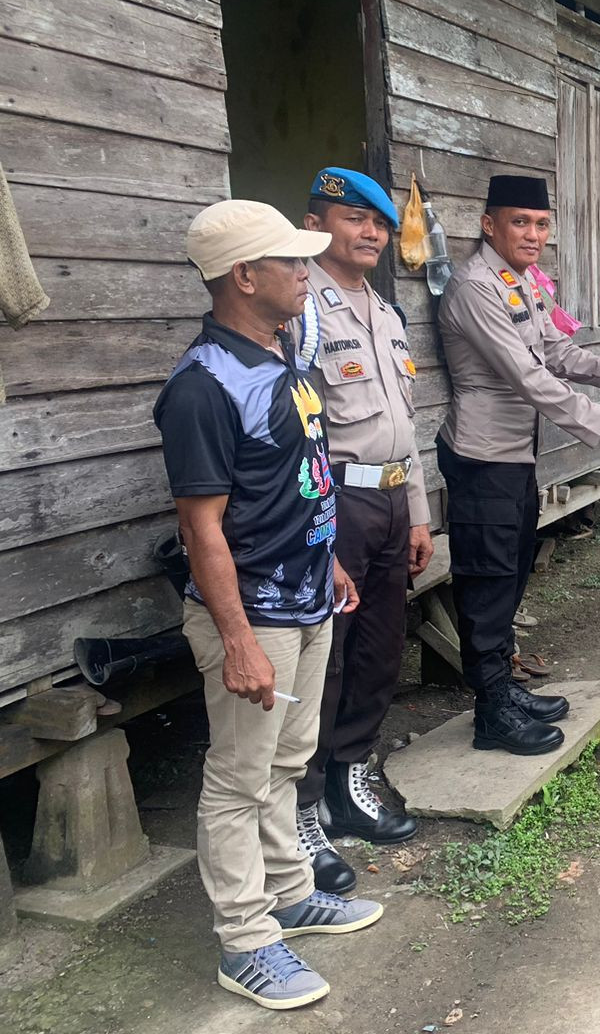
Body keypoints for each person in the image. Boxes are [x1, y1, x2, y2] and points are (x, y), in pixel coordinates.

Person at [154, 200, 379, 1011]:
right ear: (244, 276)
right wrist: (237, 638)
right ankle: (246, 941)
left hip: (308, 596)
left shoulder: (278, 359)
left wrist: (331, 567)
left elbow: (294, 483)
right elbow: (200, 527)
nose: (304, 274)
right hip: (253, 615)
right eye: (290, 263)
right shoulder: (202, 386)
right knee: (239, 778)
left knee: (287, 760)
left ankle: (289, 891)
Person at [436, 174, 600, 756]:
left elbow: (557, 351)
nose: (534, 234)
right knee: (487, 582)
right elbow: (528, 376)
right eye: (520, 222)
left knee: (510, 574)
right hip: (481, 455)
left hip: (515, 456)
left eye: (541, 224)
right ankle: (491, 712)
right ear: (490, 225)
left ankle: (502, 688)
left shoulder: (523, 283)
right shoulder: (473, 287)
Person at [285, 168, 432, 897]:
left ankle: (350, 783)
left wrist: (422, 515)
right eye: (353, 219)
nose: (371, 232)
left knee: (378, 652)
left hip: (393, 502)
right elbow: (297, 430)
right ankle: (303, 810)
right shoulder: (300, 306)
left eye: (379, 223)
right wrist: (314, 532)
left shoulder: (387, 313)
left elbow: (406, 427)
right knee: (327, 660)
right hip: (336, 503)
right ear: (317, 223)